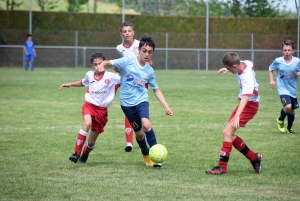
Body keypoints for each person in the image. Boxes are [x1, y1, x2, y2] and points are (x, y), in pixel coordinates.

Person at [98, 35, 173, 167]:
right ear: (139, 49)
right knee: (139, 134)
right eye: (144, 50)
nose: (146, 54)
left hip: (141, 101)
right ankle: (146, 155)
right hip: (126, 104)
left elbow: (156, 89)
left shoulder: (149, 71)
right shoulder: (127, 61)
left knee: (146, 125)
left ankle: (156, 154)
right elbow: (109, 62)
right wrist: (102, 64)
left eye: (150, 52)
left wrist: (166, 106)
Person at [205, 52, 262, 175]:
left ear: (235, 67)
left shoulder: (246, 78)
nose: (230, 71)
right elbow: (249, 64)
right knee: (228, 135)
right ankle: (254, 158)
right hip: (245, 104)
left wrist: (237, 116)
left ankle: (222, 168)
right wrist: (227, 67)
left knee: (227, 132)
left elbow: (246, 98)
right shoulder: (245, 63)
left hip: (249, 106)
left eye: (230, 69)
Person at [59, 53, 120, 163]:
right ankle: (76, 153)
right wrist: (70, 84)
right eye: (95, 64)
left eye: (100, 64)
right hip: (89, 106)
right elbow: (83, 82)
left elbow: (124, 79)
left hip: (102, 111)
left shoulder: (112, 77)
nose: (98, 66)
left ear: (104, 64)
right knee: (87, 123)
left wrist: (121, 71)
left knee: (91, 143)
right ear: (92, 66)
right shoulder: (89, 75)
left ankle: (85, 152)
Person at [116, 22, 153, 152]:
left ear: (133, 33)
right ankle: (129, 142)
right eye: (124, 31)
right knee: (128, 106)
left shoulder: (139, 45)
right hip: (128, 80)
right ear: (121, 34)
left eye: (129, 31)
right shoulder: (119, 48)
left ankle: (147, 137)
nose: (127, 33)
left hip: (141, 80)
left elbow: (149, 62)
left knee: (140, 109)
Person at [269, 39, 300, 134]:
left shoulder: (297, 61)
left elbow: (299, 70)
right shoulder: (278, 61)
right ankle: (280, 119)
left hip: (293, 89)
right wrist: (272, 80)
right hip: (282, 88)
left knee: (292, 110)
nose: (287, 52)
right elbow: (270, 69)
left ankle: (289, 129)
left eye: (289, 50)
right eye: (285, 50)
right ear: (282, 51)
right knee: (287, 106)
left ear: (293, 51)